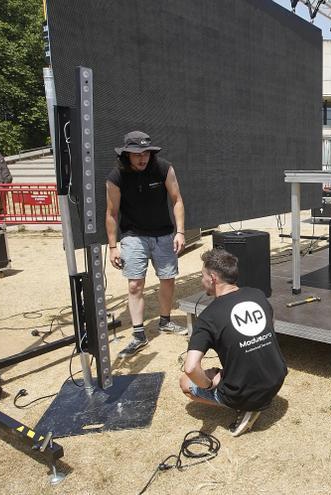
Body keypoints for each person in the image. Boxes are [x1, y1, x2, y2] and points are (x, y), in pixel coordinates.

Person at [180, 249, 287, 436]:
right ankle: (247, 395)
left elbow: (190, 368)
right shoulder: (257, 295)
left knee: (185, 383)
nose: (201, 281)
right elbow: (271, 325)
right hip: (277, 377)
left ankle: (245, 406)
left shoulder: (208, 317)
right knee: (218, 371)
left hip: (244, 392)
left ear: (213, 278)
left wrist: (209, 385)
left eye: (202, 276)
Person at [106, 131, 187, 357]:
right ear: (127, 154)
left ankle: (165, 321)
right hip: (133, 235)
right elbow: (111, 213)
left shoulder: (163, 168)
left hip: (163, 233)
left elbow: (177, 200)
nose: (142, 158)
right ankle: (139, 334)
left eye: (146, 153)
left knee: (168, 279)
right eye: (137, 154)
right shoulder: (116, 176)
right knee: (135, 285)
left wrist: (180, 232)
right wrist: (112, 246)